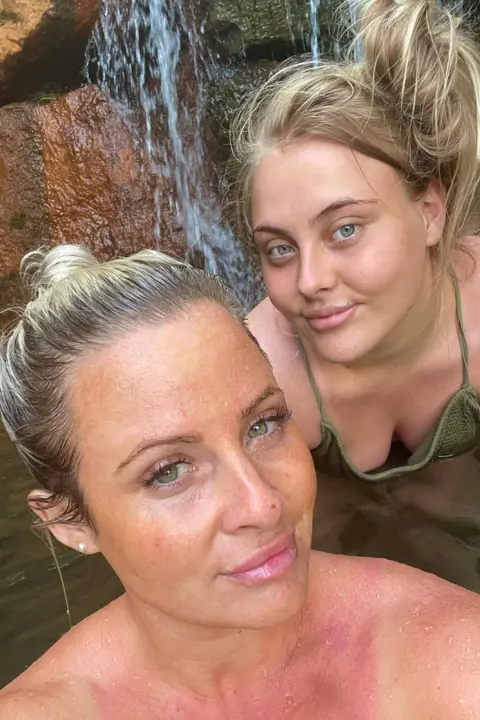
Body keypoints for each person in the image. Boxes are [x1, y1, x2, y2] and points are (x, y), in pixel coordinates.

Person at [1, 244, 480, 719]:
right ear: (69, 522)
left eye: (263, 425)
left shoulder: (449, 657)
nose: (263, 504)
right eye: (168, 471)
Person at [232, 0, 480, 589]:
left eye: (345, 230)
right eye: (279, 249)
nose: (310, 280)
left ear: (430, 211)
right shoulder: (260, 376)